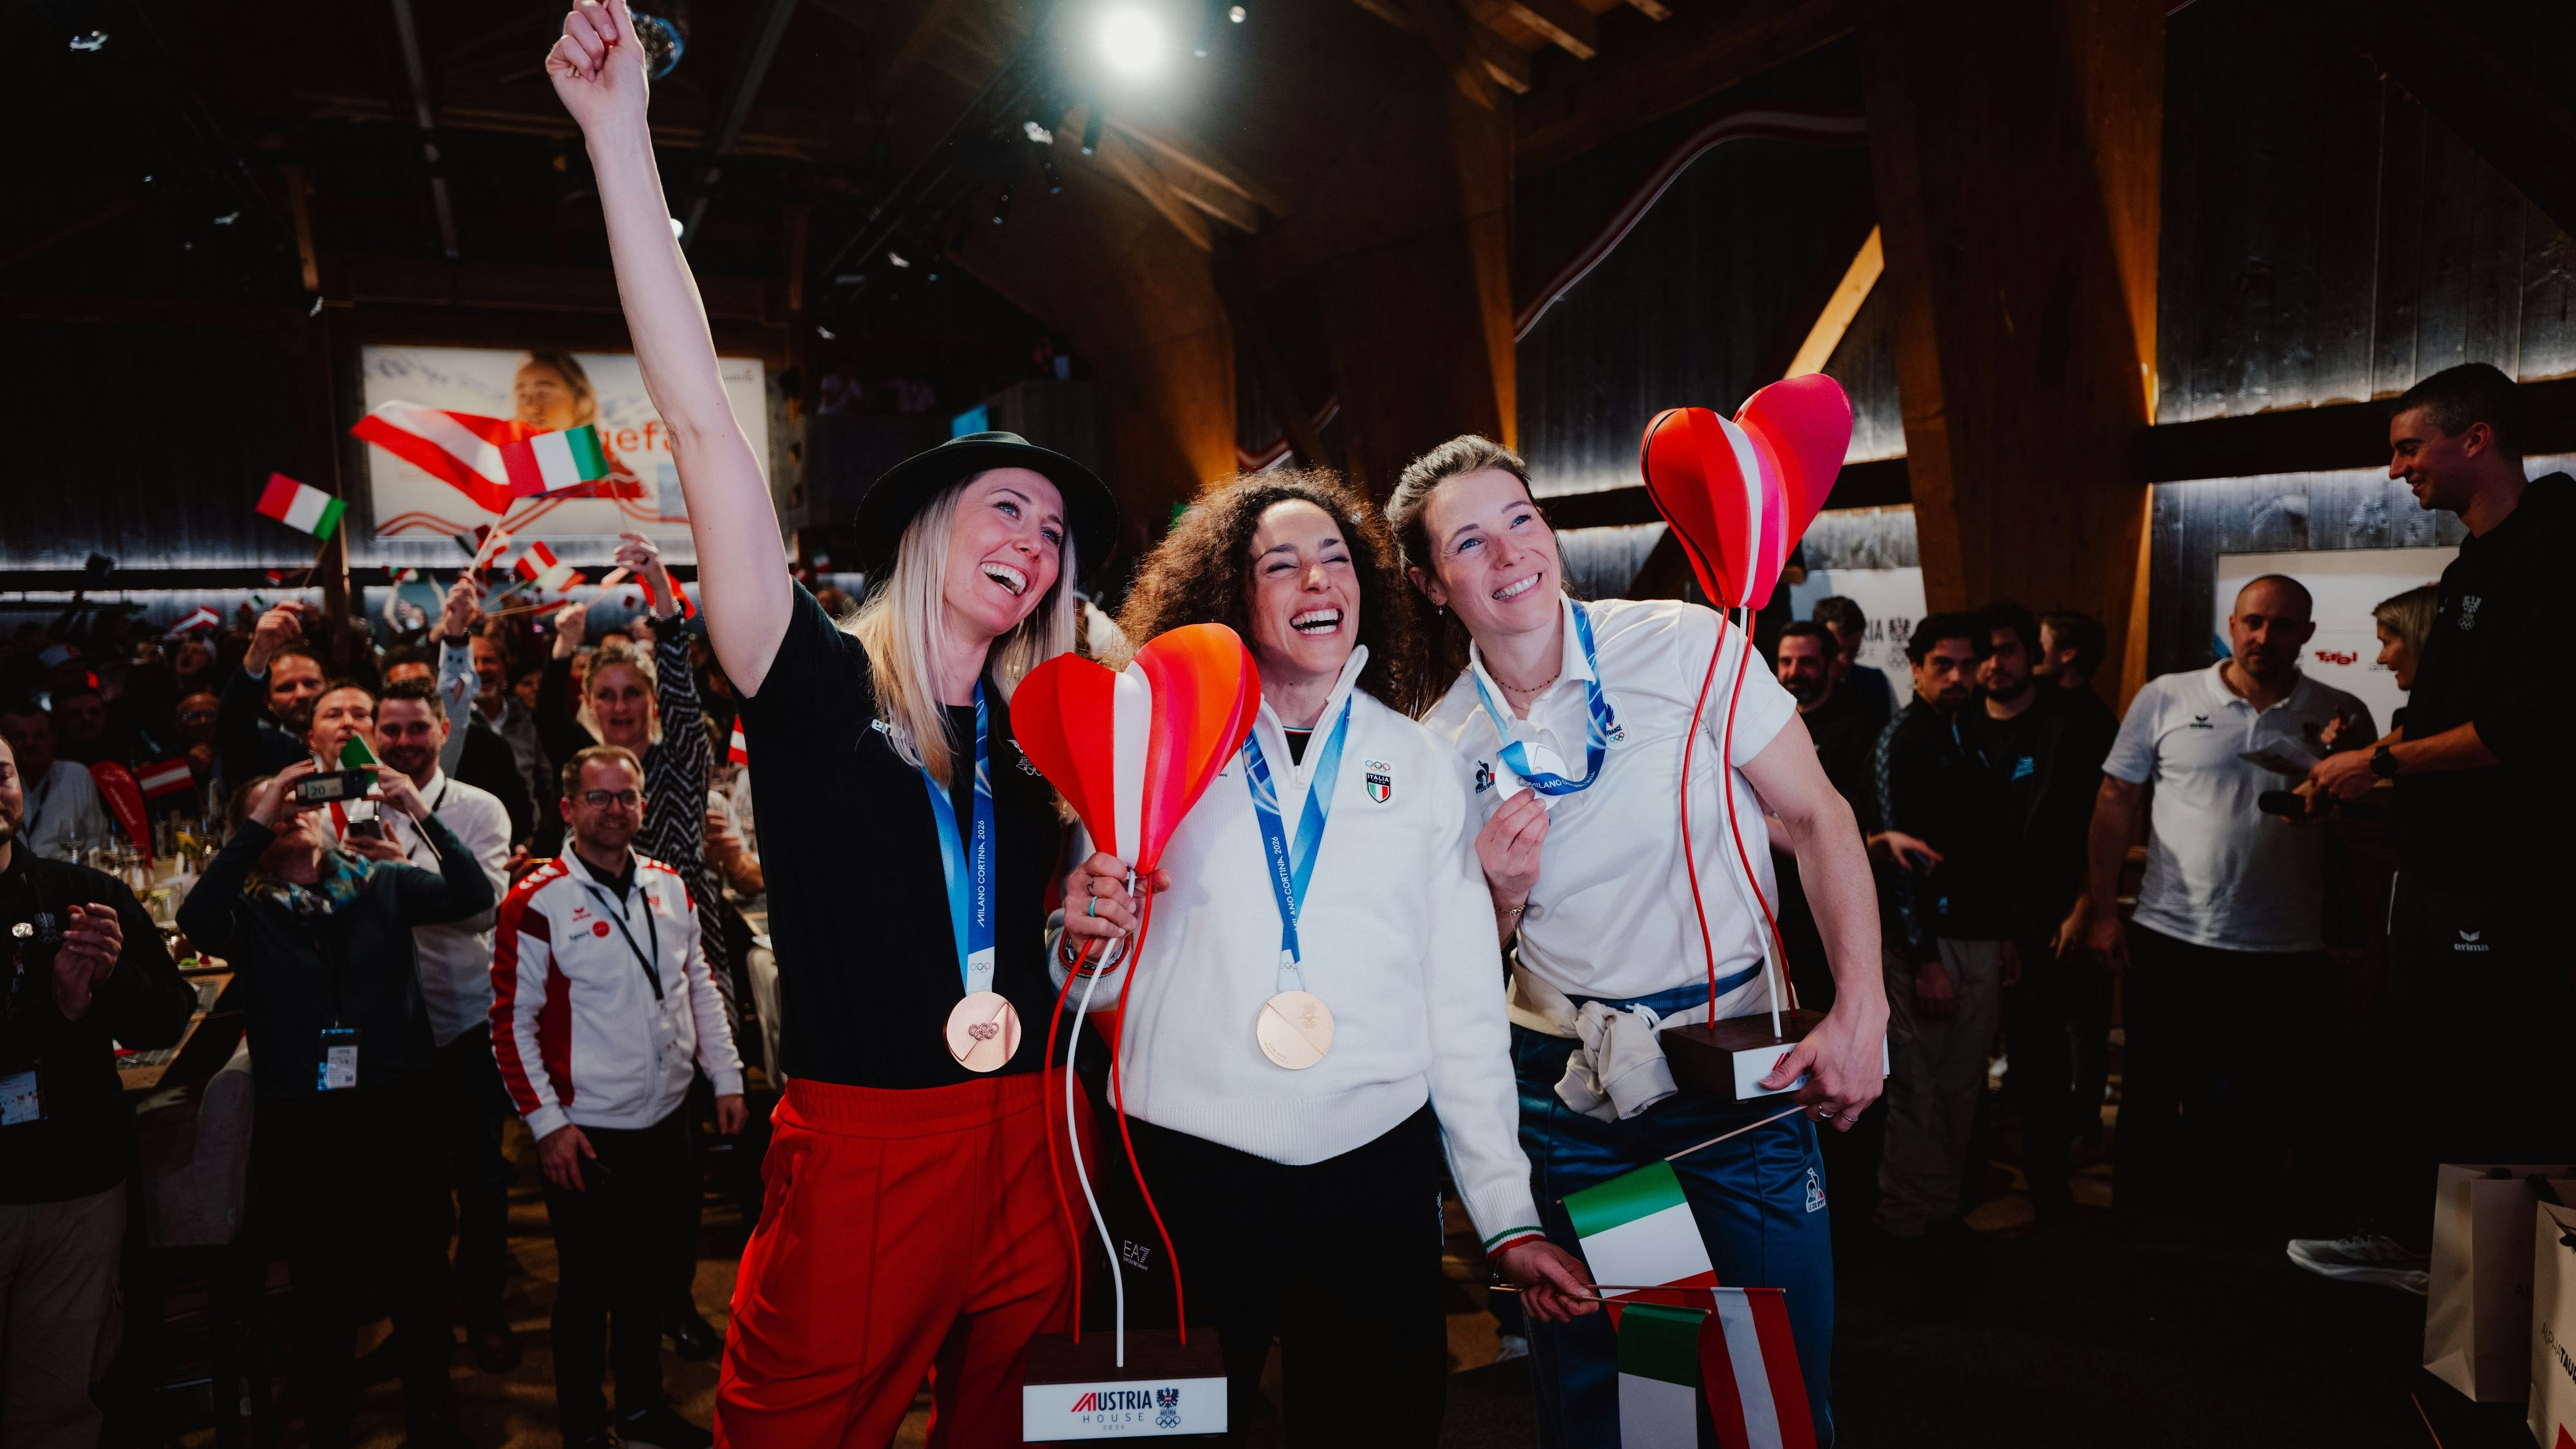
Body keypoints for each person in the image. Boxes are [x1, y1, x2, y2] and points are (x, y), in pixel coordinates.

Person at [547, 3, 1124, 1437]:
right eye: (1010, 509)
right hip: (870, 1150)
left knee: (1019, 1425)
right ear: (931, 525)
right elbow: (699, 426)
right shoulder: (804, 676)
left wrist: (1081, 931)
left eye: (1055, 533)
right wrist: (622, 141)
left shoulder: (1045, 730)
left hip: (1036, 1130)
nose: (1037, 546)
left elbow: (1032, 931)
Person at [1061, 473, 1589, 1436]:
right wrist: (1082, 940)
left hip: (1372, 1173)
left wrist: (1505, 1211)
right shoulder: (1151, 737)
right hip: (1183, 1170)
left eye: (1337, 559)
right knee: (1150, 1435)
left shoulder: (1417, 759)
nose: (1318, 580)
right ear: (1230, 594)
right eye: (1281, 562)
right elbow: (1087, 959)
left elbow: (1465, 1009)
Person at [1390, 437, 1886, 1448]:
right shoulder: (1440, 747)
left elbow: (1818, 818)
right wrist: (1501, 895)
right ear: (1429, 583)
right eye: (1469, 540)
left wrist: (1861, 1006)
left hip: (1730, 1070)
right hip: (1587, 1094)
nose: (1509, 553)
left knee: (1767, 1386)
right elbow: (1457, 968)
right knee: (1649, 1382)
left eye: (1521, 519)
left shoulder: (1678, 642)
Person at [2290, 363, 2569, 1285]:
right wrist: (2377, 766)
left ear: (2477, 438)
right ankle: (2437, 1256)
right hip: (2442, 867)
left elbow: (2526, 727)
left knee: (2487, 1079)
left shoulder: (2552, 548)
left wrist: (2379, 761)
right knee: (2426, 1062)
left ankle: (2483, 1283)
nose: (2395, 468)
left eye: (2410, 446)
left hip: (2502, 876)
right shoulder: (2474, 561)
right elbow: (2458, 715)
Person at [175, 758, 497, 1449]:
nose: (293, 814)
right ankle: (328, 1424)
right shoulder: (248, 913)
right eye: (274, 812)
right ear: (251, 835)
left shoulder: (381, 882)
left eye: (300, 805)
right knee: (324, 1289)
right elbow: (194, 917)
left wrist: (416, 809)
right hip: (306, 1122)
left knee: (419, 1276)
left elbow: (472, 897)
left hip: (398, 1105)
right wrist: (258, 820)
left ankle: (430, 1417)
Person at [2081, 576, 2371, 1227]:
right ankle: (2136, 1236)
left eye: (2283, 625)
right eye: (2253, 622)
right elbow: (2113, 802)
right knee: (2153, 1097)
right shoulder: (2166, 698)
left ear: (2307, 634)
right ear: (2232, 624)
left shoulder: (2342, 712)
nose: (2265, 637)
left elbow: (2361, 835)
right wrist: (2101, 910)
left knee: (2262, 1107)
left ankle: (2237, 1241)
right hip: (2172, 935)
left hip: (2286, 946)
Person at [494, 746, 744, 1449]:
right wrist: (547, 1128)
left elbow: (699, 985)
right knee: (585, 1292)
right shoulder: (536, 900)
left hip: (669, 1119)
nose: (615, 810)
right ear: (569, 808)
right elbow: (509, 1026)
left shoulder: (668, 885)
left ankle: (640, 1415)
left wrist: (724, 1078)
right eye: (598, 798)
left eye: (626, 797)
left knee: (651, 1280)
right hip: (588, 1134)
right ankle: (582, 1430)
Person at [533, 539, 731, 1358]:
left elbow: (683, 687)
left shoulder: (681, 759)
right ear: (590, 701)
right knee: (617, 1162)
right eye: (605, 695)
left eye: (632, 694)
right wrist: (563, 648)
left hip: (686, 967)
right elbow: (545, 716)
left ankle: (675, 1301)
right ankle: (615, 1307)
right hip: (602, 979)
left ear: (652, 701)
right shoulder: (586, 777)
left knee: (679, 1175)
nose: (621, 706)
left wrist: (662, 596)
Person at [1, 734, 197, 1449]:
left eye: (2, 774)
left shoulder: (84, 895)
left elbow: (167, 1018)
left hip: (75, 1187)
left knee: (58, 1404)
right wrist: (51, 1015)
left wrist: (115, 979)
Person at [367, 679, 522, 1373]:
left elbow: (481, 908)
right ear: (374, 733)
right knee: (407, 1191)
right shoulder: (350, 805)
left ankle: (484, 1310)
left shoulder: (477, 808)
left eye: (416, 729)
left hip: (464, 1016)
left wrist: (397, 879)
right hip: (389, 1026)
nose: (403, 742)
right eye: (390, 730)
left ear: (441, 729)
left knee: (482, 1178)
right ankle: (422, 1322)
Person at [1868, 614, 2016, 1256]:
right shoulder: (1901, 740)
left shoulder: (1973, 732)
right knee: (1915, 1088)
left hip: (1980, 935)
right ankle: (1902, 1223)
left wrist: (2003, 935)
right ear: (1917, 668)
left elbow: (1990, 849)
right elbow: (1897, 865)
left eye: (1967, 664)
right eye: (1942, 665)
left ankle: (1941, 1213)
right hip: (1924, 942)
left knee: (1960, 1087)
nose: (1957, 676)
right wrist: (1923, 958)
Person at [1975, 602, 2116, 1226]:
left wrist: (2088, 903)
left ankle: (2049, 1187)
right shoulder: (1951, 727)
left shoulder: (2067, 722)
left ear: (2030, 653)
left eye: (2006, 650)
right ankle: (1967, 1181)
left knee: (2040, 1059)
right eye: (1982, 652)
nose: (1993, 664)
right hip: (1972, 919)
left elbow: (2099, 819)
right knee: (1965, 1062)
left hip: (2046, 916)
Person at [387, 639, 535, 846]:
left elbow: (519, 814)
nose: (413, 700)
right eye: (402, 690)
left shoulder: (487, 746)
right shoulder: (370, 792)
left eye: (422, 687)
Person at [216, 606, 328, 792]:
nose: (301, 694)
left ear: (328, 687)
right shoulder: (262, 746)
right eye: (286, 688)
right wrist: (259, 650)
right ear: (268, 701)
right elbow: (232, 725)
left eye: (310, 684)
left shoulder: (354, 739)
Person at [0, 703, 113, 859]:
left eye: (39, 735)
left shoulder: (76, 775)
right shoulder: (2, 786)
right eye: (19, 737)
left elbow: (97, 838)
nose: (30, 743)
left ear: (54, 739)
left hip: (68, 873)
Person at [1810, 595, 1897, 726]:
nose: (1845, 661)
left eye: (1853, 651)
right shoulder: (1800, 687)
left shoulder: (1874, 683)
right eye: (1837, 650)